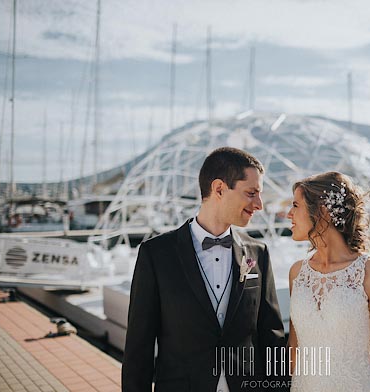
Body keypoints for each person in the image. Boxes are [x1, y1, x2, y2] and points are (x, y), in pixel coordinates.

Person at [122, 147, 289, 391]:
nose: (260, 205)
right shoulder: (156, 254)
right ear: (219, 188)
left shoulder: (258, 253)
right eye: (251, 193)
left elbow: (271, 337)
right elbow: (139, 345)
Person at [286, 172, 370, 391]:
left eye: (296, 206)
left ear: (322, 211)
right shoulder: (297, 273)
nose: (288, 214)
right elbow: (294, 347)